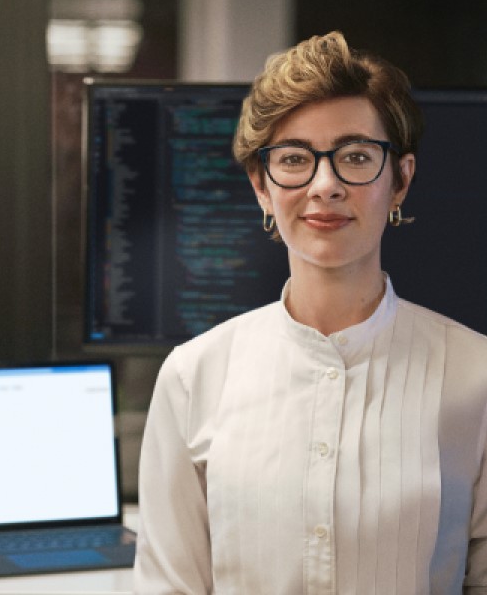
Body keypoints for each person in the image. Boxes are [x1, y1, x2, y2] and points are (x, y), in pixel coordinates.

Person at [133, 31, 487, 594]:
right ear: (261, 186)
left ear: (401, 180)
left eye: (355, 157)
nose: (325, 186)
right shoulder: (192, 376)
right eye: (295, 159)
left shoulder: (477, 376)